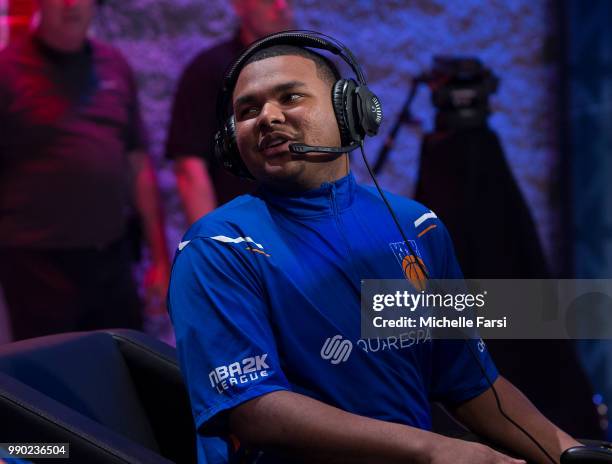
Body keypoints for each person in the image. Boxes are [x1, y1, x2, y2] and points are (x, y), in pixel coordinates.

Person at [168, 32, 582, 463]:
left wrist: (567, 451)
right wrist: (435, 449)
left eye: (290, 97)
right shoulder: (217, 247)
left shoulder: (416, 228)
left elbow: (471, 383)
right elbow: (255, 409)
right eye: (248, 110)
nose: (267, 117)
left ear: (350, 111)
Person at [0, 0, 169, 341]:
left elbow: (138, 164)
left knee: (122, 371)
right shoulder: (7, 70)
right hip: (37, 266)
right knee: (49, 384)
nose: (70, 4)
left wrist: (161, 258)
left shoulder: (114, 65)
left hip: (111, 259)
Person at [165, 0, 294, 225]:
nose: (281, 6)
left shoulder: (311, 69)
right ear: (239, 5)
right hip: (242, 235)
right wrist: (213, 245)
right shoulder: (210, 71)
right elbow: (190, 168)